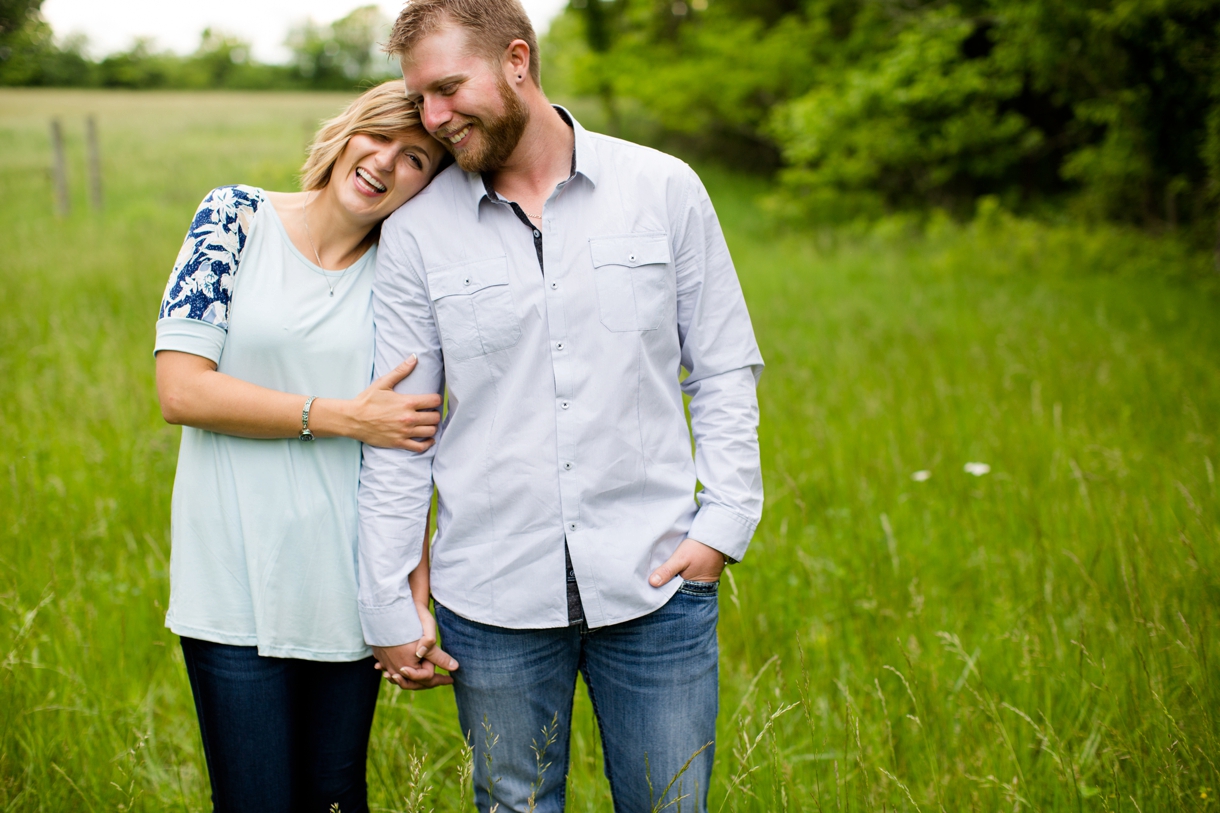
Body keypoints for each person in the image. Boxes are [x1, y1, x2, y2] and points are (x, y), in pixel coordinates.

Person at [357, 1, 765, 810]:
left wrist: (722, 526)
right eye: (421, 97)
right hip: (492, 595)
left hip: (655, 583)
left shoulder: (663, 188)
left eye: (447, 88)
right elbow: (402, 431)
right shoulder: (416, 232)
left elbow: (721, 368)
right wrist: (387, 598)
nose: (433, 117)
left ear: (517, 61)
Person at [153, 81, 456, 813]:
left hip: (345, 588)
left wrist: (412, 600)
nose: (386, 162)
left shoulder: (402, 276)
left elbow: (407, 448)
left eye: (416, 159)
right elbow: (182, 391)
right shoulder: (232, 218)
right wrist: (342, 416)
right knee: (256, 799)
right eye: (377, 137)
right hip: (234, 583)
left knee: (334, 796)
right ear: (346, 132)